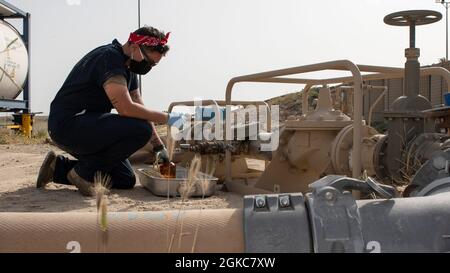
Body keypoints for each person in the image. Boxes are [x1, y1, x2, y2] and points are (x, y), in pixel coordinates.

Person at [36, 26, 187, 196]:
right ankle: (82, 174)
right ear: (134, 46)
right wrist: (169, 118)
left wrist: (159, 148)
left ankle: (57, 168)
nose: (149, 67)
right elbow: (125, 108)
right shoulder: (110, 59)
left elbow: (138, 104)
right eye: (149, 61)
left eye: (153, 64)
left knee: (125, 179)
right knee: (139, 130)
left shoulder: (129, 66)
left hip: (86, 125)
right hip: (68, 125)